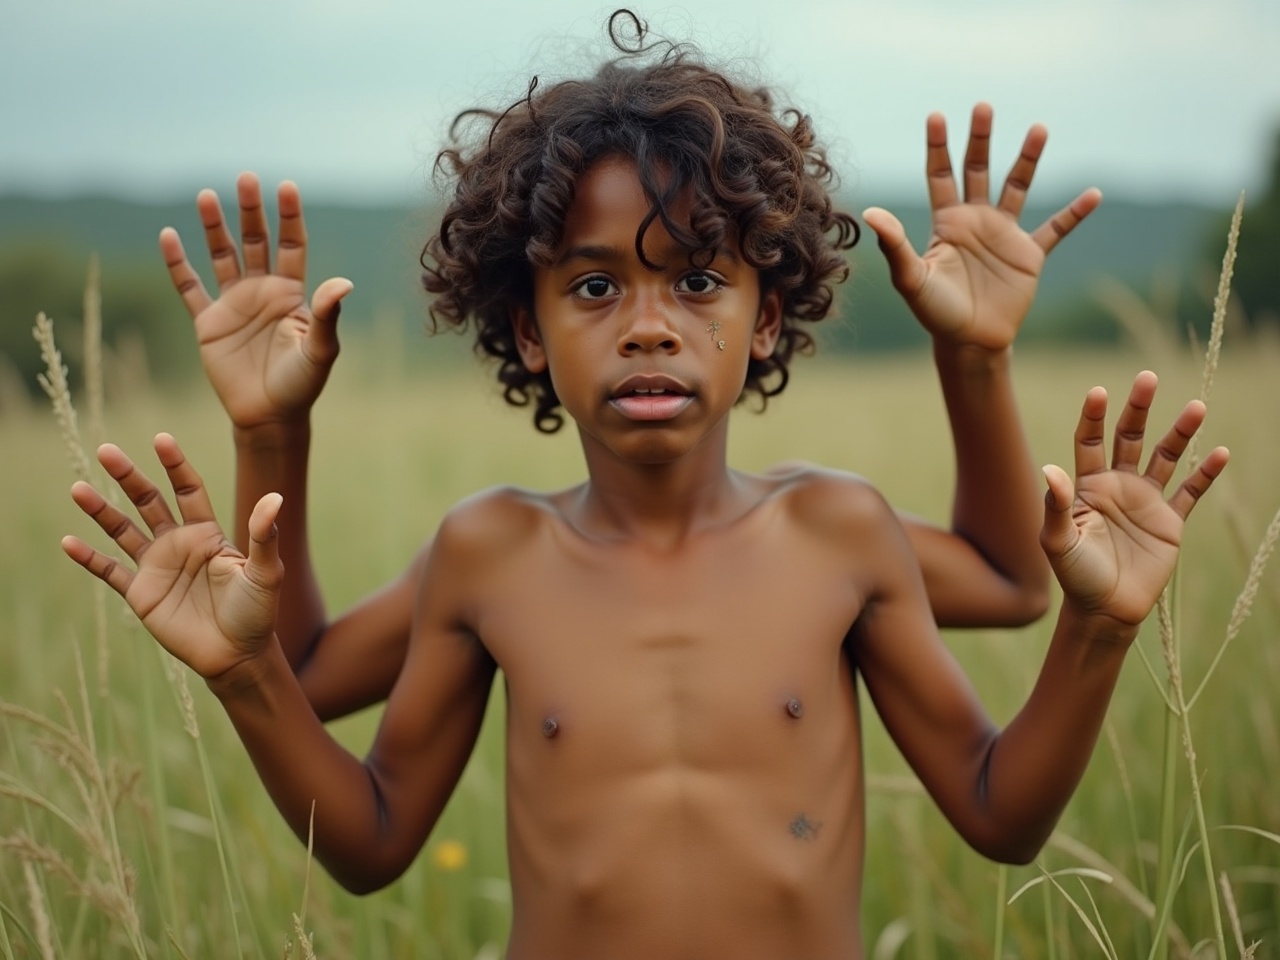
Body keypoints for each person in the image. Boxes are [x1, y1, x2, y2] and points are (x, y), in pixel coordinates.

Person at [61, 12, 1228, 959]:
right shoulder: (489, 556)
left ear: (764, 316)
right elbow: (366, 840)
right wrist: (249, 638)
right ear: (525, 331)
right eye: (594, 288)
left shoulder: (838, 533)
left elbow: (999, 812)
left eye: (697, 280)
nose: (650, 327)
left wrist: (1094, 628)